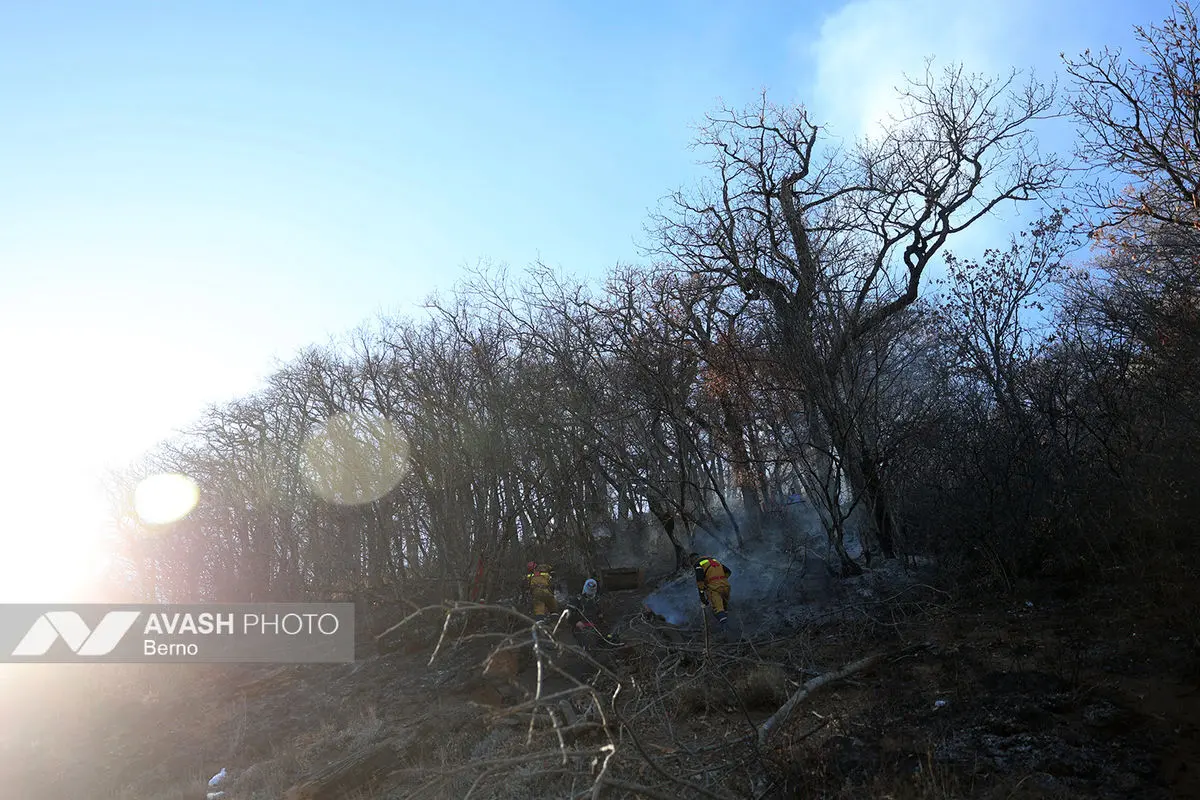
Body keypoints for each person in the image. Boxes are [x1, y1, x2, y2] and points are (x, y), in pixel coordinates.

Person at [690, 552, 732, 625]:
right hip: (726, 587)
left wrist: (702, 598)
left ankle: (725, 629)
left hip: (715, 589)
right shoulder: (714, 560)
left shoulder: (698, 564)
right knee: (724, 609)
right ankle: (728, 626)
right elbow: (728, 572)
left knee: (718, 610)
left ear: (693, 561)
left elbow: (700, 582)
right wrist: (721, 580)